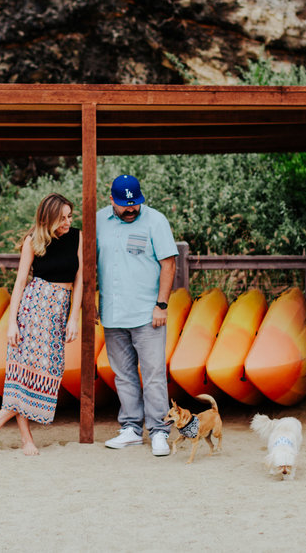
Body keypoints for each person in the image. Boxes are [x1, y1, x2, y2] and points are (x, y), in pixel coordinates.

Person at [0, 193, 83, 455]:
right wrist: (12, 322)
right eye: (61, 219)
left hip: (58, 309)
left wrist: (73, 317)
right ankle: (26, 439)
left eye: (70, 216)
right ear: (48, 219)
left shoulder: (77, 237)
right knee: (24, 373)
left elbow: (81, 279)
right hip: (33, 308)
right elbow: (20, 283)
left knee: (49, 371)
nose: (67, 223)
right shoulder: (33, 241)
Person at [97, 174, 178, 456]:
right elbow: (86, 262)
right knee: (123, 375)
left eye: (135, 204)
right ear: (112, 201)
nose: (131, 209)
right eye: (124, 205)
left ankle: (159, 431)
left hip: (147, 313)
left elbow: (168, 264)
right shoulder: (98, 221)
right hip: (112, 313)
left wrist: (162, 305)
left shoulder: (156, 220)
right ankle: (131, 428)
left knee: (154, 374)